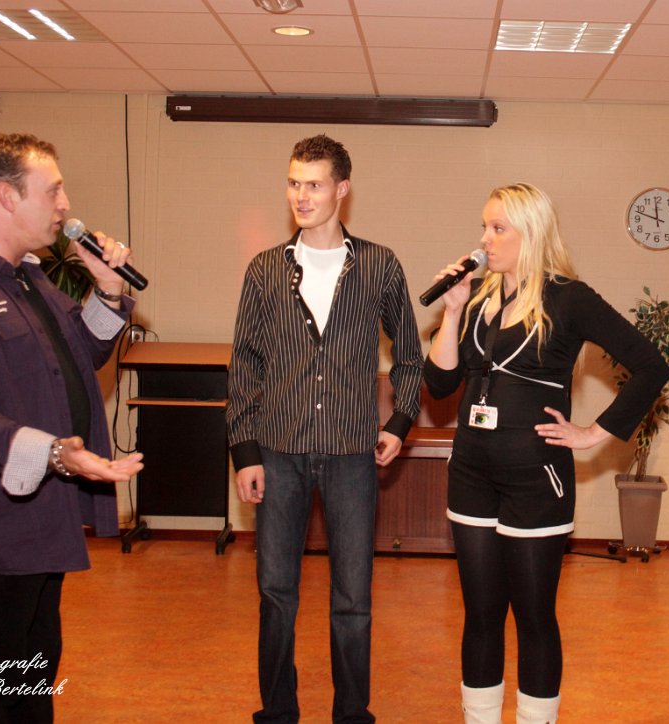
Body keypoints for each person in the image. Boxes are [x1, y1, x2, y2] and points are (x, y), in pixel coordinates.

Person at [0, 132, 144, 723]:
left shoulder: (26, 278)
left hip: (38, 516)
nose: (65, 205)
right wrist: (58, 454)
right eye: (53, 191)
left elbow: (80, 354)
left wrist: (109, 288)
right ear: (7, 197)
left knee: (32, 669)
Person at [423, 183, 669, 724]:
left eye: (498, 229)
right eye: (484, 227)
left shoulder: (568, 298)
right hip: (471, 473)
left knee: (534, 618)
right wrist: (453, 310)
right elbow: (439, 385)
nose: (484, 240)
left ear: (531, 233)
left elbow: (652, 366)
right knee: (481, 615)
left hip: (536, 479)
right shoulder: (478, 296)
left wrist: (594, 432)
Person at [226, 134, 423, 723]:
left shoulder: (380, 265)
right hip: (277, 452)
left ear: (342, 189)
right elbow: (245, 365)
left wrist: (400, 420)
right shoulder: (265, 270)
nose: (301, 196)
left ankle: (352, 714)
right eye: (293, 183)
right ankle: (277, 712)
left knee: (353, 598)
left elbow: (409, 354)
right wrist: (245, 451)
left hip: (351, 454)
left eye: (313, 184)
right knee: (275, 593)